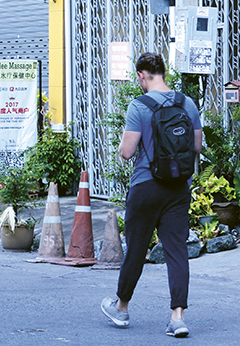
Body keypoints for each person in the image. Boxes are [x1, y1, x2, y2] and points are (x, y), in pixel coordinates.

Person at [101, 52, 203, 338]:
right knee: (176, 250)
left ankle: (121, 309)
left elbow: (127, 152)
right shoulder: (187, 103)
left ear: (142, 76)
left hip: (146, 186)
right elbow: (196, 146)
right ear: (163, 73)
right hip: (178, 189)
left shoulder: (139, 106)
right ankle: (177, 317)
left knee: (136, 248)